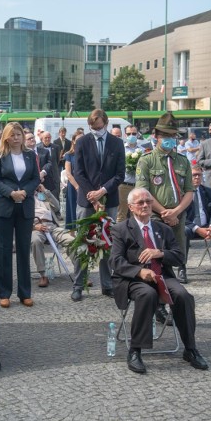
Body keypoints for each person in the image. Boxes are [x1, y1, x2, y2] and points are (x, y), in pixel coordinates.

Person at [110, 188, 209, 374]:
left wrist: (160, 253)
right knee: (147, 295)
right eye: (141, 202)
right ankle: (135, 350)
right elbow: (115, 261)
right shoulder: (121, 229)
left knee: (183, 295)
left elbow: (180, 256)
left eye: (148, 201)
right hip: (133, 280)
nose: (146, 205)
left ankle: (190, 348)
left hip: (161, 275)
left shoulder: (162, 228)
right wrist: (139, 272)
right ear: (131, 207)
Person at [72, 109, 126, 301]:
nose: (96, 130)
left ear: (106, 124)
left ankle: (108, 284)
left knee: (107, 243)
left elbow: (120, 174)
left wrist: (103, 191)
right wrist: (93, 197)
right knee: (83, 243)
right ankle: (78, 284)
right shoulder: (82, 142)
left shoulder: (117, 143)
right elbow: (79, 172)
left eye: (99, 127)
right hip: (86, 200)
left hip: (109, 199)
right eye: (92, 128)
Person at [135, 112, 194, 284]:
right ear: (156, 136)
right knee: (156, 257)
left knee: (177, 252)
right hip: (155, 216)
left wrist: (175, 212)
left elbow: (189, 191)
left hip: (178, 215)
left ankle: (178, 276)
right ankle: (159, 294)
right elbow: (143, 191)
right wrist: (164, 212)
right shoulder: (147, 160)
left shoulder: (183, 161)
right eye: (165, 136)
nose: (169, 139)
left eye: (172, 136)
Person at [0, 122, 40, 308]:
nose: (16, 137)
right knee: (3, 251)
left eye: (19, 134)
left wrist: (24, 191)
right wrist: (11, 193)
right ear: (6, 137)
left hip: (25, 206)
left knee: (23, 250)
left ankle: (25, 292)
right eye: (12, 134)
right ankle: (4, 293)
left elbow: (35, 178)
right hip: (5, 206)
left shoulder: (30, 155)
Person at [31, 184, 74, 287]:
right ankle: (43, 275)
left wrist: (46, 191)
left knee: (71, 240)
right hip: (36, 226)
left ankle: (80, 274)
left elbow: (57, 207)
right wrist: (34, 226)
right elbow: (20, 219)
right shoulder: (25, 198)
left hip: (52, 226)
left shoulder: (43, 195)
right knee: (35, 240)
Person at [117, 124, 142, 223]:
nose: (131, 135)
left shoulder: (142, 150)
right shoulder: (121, 149)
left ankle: (135, 236)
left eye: (134, 133)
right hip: (123, 185)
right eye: (129, 133)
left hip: (138, 186)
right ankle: (119, 237)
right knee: (121, 214)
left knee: (136, 214)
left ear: (137, 134)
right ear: (125, 135)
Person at [63, 132, 82, 229]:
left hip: (85, 185)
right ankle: (73, 231)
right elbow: (68, 173)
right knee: (73, 207)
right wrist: (77, 187)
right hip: (73, 185)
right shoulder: (69, 155)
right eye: (78, 139)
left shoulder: (88, 153)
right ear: (73, 141)